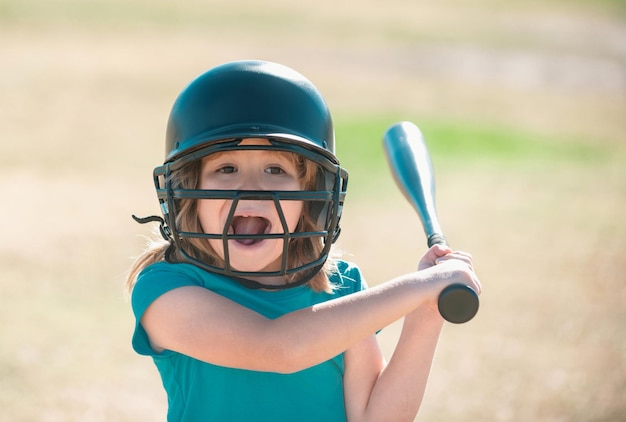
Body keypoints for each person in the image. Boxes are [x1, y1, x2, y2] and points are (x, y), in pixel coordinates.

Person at [126, 60, 481, 422]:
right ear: (188, 193)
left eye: (276, 170)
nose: (251, 188)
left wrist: (427, 309)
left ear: (311, 194)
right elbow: (278, 349)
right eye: (226, 169)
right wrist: (418, 285)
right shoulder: (166, 288)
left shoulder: (340, 289)